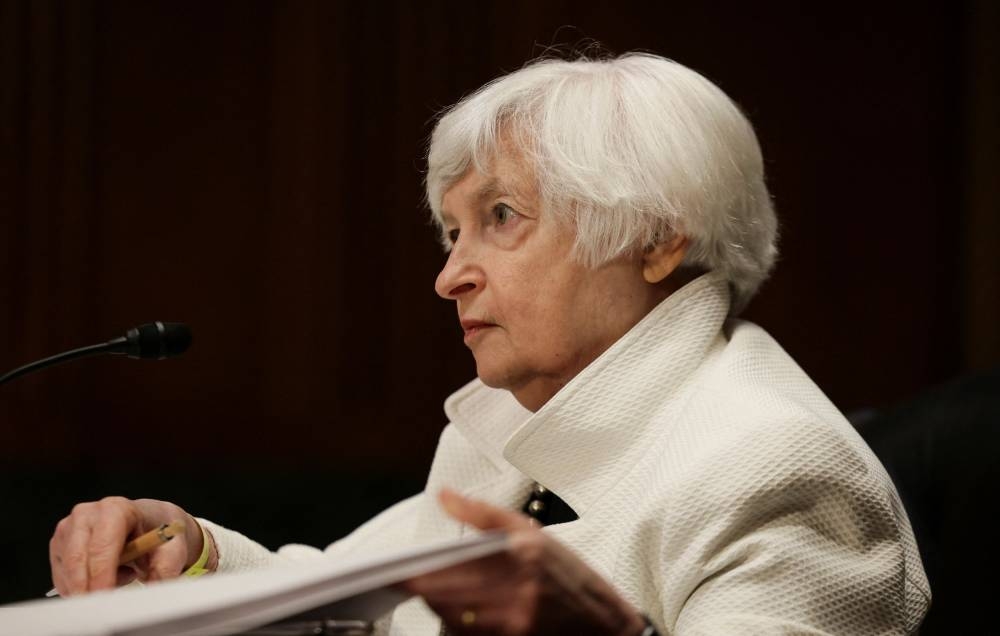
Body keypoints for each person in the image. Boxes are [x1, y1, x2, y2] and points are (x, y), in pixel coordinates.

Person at [48, 53, 930, 635]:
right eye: (451, 231)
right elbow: (361, 603)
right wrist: (187, 554)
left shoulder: (776, 467)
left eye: (501, 217)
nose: (449, 276)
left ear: (659, 237)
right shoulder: (516, 422)